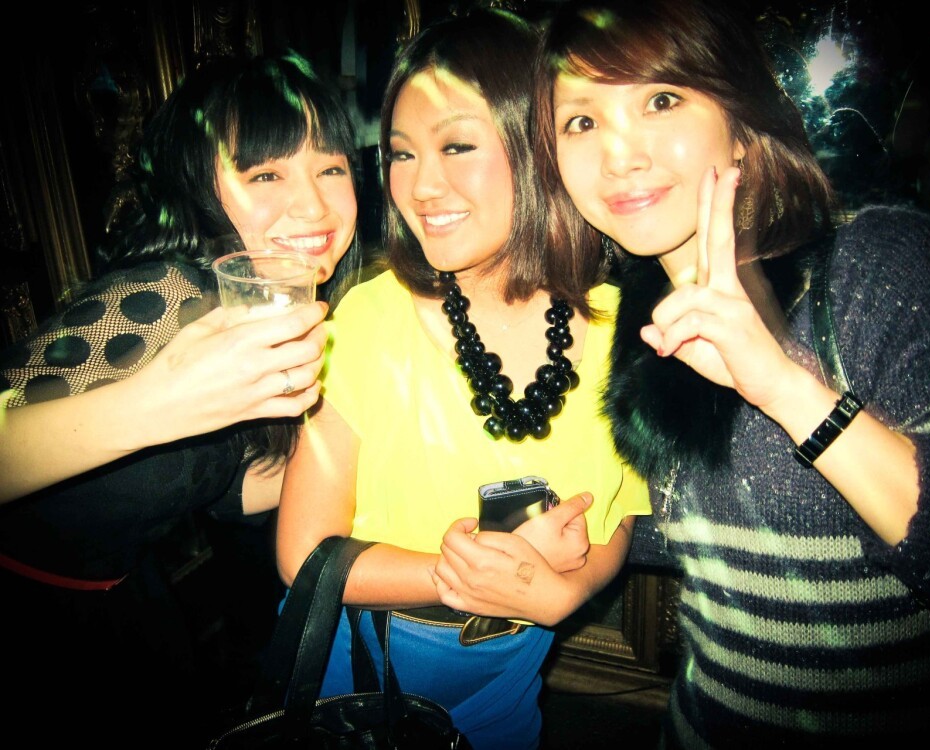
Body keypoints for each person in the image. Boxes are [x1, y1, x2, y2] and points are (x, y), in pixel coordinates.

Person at [533, 0, 930, 747]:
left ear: (741, 119)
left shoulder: (878, 268)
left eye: (661, 100)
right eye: (581, 121)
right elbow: (722, 534)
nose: (618, 156)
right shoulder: (637, 314)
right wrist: (578, 551)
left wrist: (786, 388)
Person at [275, 9, 650, 750]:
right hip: (364, 671)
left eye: (456, 146)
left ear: (537, 147)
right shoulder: (368, 318)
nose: (420, 186)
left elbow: (617, 514)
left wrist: (567, 590)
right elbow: (304, 553)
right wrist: (482, 574)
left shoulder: (624, 328)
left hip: (510, 678)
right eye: (401, 154)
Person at [0, 50, 361, 747]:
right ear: (199, 188)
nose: (314, 205)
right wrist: (157, 402)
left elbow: (224, 490)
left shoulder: (276, 315)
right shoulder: (163, 294)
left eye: (331, 168)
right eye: (266, 174)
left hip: (126, 607)